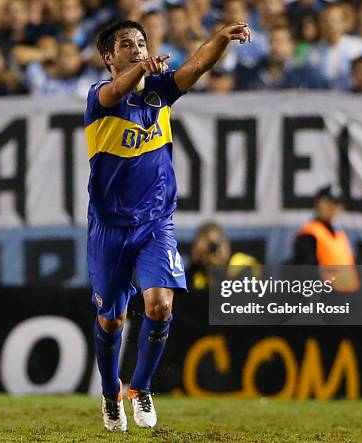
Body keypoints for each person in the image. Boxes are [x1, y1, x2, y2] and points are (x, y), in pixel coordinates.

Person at [84, 19, 251, 432]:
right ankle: (110, 394)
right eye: (127, 45)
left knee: (160, 305)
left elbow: (196, 66)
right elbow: (117, 89)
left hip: (156, 222)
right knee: (112, 321)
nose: (137, 48)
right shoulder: (98, 99)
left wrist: (219, 40)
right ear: (109, 57)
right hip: (109, 228)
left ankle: (139, 390)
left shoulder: (161, 93)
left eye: (141, 43)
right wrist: (142, 68)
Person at [291, 185, 358, 291]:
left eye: (336, 203)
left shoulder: (340, 236)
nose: (333, 206)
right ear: (317, 203)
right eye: (328, 202)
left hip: (346, 299)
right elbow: (306, 276)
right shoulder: (309, 234)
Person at [187, 222, 261, 291]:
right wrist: (195, 261)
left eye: (216, 245)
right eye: (209, 246)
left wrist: (218, 268)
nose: (213, 251)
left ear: (226, 244)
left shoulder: (243, 263)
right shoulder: (199, 275)